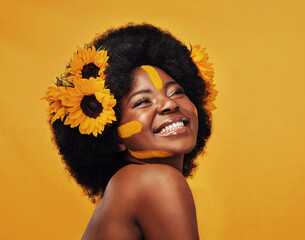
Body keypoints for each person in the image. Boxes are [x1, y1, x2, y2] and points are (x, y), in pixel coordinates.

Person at [44, 23, 217, 239]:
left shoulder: (126, 184)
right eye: (143, 101)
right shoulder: (158, 181)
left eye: (176, 92)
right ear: (113, 136)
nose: (169, 104)